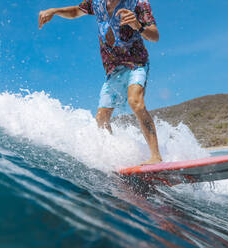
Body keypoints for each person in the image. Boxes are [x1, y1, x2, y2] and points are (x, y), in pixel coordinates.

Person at [39, 0, 162, 165]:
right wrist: (55, 11)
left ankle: (156, 157)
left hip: (136, 64)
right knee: (101, 118)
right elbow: (76, 11)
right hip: (113, 70)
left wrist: (138, 25)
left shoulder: (139, 4)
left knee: (136, 102)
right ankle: (116, 159)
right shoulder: (96, 3)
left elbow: (154, 36)